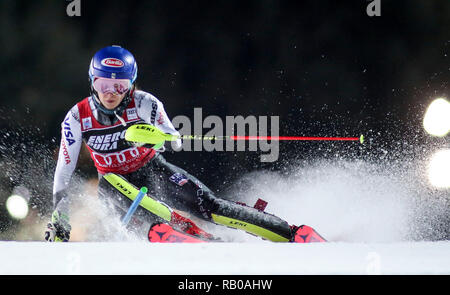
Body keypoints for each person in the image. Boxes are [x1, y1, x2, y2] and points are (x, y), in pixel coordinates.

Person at [44, 45, 325, 243]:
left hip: (152, 168)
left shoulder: (145, 103)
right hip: (115, 180)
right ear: (92, 82)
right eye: (104, 85)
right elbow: (64, 169)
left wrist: (152, 135)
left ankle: (290, 232)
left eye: (119, 86)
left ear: (131, 84)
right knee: (111, 187)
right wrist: (59, 215)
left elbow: (175, 140)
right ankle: (167, 230)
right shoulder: (76, 117)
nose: (111, 94)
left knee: (210, 206)